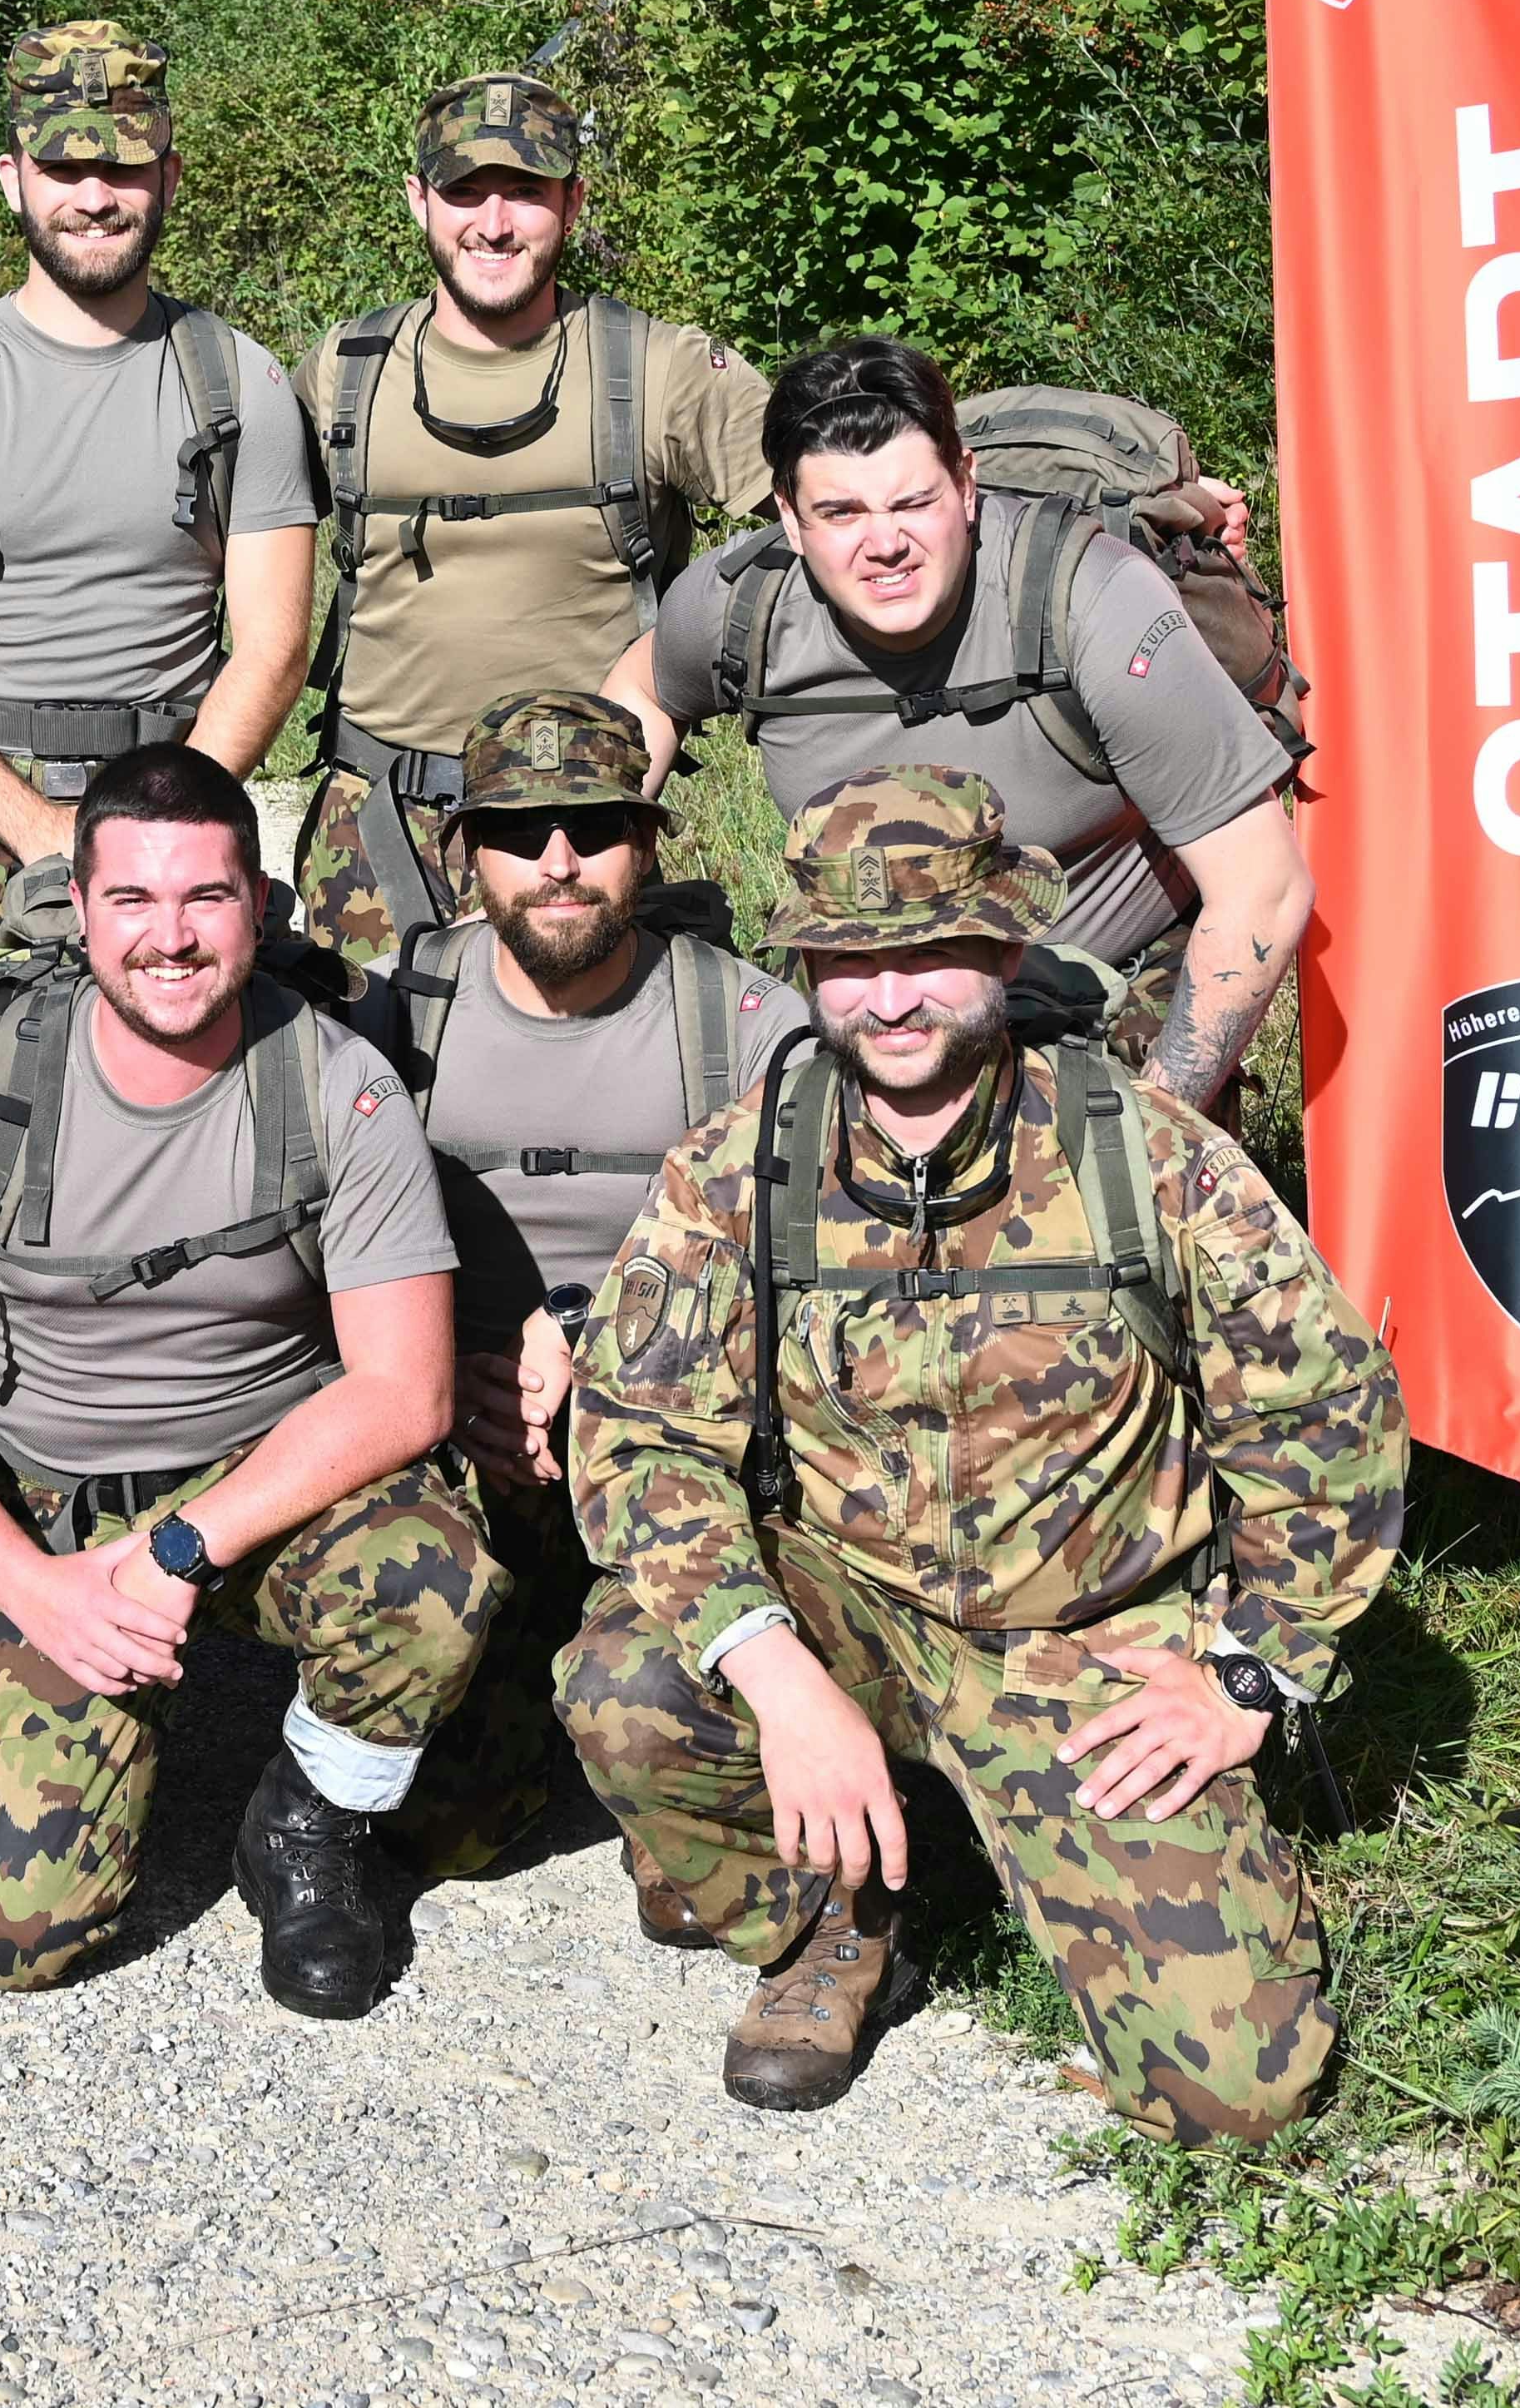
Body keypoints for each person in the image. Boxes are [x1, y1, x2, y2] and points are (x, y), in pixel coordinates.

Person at [560, 770, 1401, 2126]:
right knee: (628, 1683)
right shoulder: (737, 1170)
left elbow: (1323, 1414)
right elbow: (639, 1443)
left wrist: (1251, 1667)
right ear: (808, 970)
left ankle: (1001, 1839)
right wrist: (780, 1680)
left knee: (1236, 2092)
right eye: (851, 961)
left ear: (1006, 951)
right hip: (846, 1609)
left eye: (932, 953)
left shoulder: (1142, 1157)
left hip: (1088, 1646)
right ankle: (834, 1917)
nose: (890, 996)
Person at [0, 744, 493, 2017]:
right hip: (49, 1506)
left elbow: (404, 1390)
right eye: (132, 899)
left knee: (431, 1580)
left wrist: (179, 1551)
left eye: (206, 897)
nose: (171, 937)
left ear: (261, 904)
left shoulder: (337, 1088)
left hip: (265, 1486)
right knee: (17, 1933)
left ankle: (309, 1824)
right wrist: (27, 1583)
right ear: (80, 910)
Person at [0, 22, 315, 1171]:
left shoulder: (239, 382)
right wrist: (42, 830)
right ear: (13, 178)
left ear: (169, 177)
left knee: (215, 1139)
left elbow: (273, 644)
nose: (95, 196)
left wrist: (150, 832)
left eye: (124, 167)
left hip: (173, 795)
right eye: (64, 166)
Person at [344, 691, 805, 1884]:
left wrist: (594, 1343)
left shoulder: (747, 1027)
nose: (558, 862)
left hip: (675, 1446)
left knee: (676, 1795)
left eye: (594, 827)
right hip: (464, 1443)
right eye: (519, 830)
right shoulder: (394, 1015)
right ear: (468, 852)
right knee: (446, 1833)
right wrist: (442, 1378)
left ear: (647, 842)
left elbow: (807, 1288)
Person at [608, 338, 1308, 1107]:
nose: (884, 546)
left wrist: (1159, 1124)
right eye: (840, 513)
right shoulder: (742, 607)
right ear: (790, 518)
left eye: (914, 503)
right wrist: (592, 860)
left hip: (1098, 982)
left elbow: (1263, 886)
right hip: (864, 974)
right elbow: (644, 692)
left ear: (967, 485)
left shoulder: (1090, 600)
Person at [288, 73, 772, 969]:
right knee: (359, 1056)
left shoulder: (656, 369)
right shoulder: (346, 372)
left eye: (526, 191)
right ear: (418, 199)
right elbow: (223, 542)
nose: (495, 222)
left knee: (593, 1060)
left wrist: (686, 668)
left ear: (574, 203)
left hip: (582, 830)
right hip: (378, 829)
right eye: (465, 191)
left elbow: (823, 520)